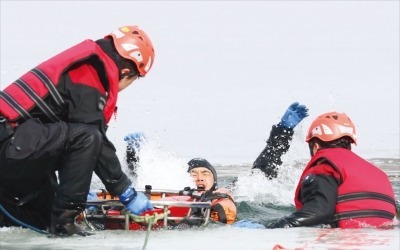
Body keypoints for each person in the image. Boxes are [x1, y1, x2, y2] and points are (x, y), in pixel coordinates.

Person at [0, 25, 155, 236]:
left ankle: (39, 218)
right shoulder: (88, 74)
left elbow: (56, 142)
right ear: (127, 70)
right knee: (88, 137)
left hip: (16, 150)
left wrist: (73, 189)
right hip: (9, 145)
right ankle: (65, 223)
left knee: (43, 216)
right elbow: (92, 140)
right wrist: (125, 192)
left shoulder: (85, 69)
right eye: (134, 79)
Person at [124, 102, 309, 226]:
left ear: (215, 180)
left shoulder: (237, 190)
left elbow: (263, 169)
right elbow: (140, 178)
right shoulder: (172, 190)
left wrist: (282, 131)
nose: (199, 177)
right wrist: (134, 153)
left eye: (205, 173)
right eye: (193, 173)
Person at [267, 112, 397, 229]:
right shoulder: (381, 175)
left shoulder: (326, 164)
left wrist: (274, 227)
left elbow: (319, 212)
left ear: (316, 146)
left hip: (344, 241)